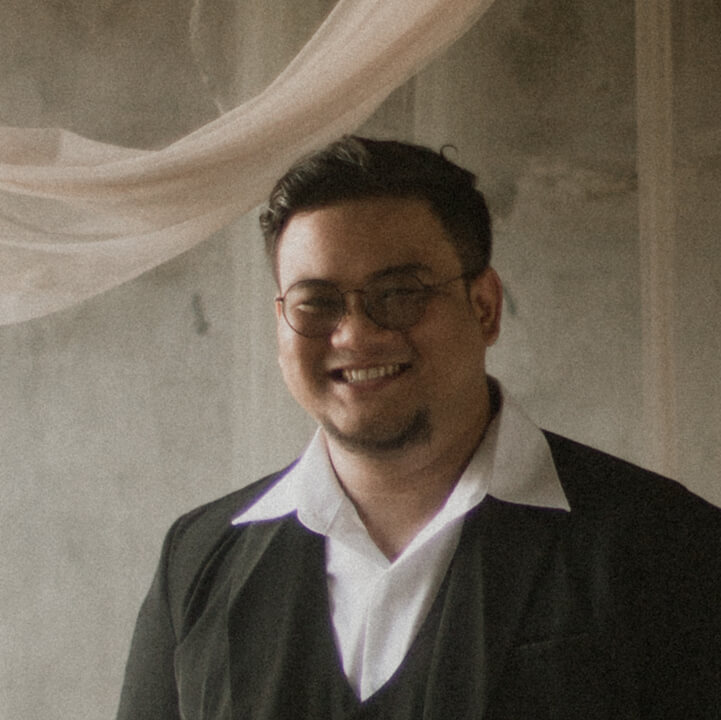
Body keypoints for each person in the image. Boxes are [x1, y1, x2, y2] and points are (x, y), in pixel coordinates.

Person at [117, 136, 721, 719]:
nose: (355, 335)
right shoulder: (196, 559)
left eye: (400, 293)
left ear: (484, 307)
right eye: (316, 302)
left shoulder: (671, 547)